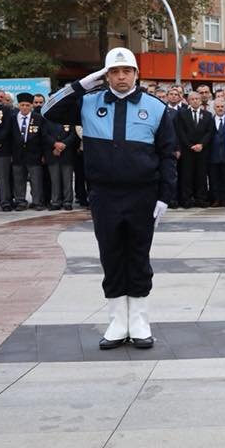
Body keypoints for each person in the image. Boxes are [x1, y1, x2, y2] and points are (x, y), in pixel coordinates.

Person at [41, 47, 176, 350]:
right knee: (111, 254)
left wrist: (165, 196)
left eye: (126, 71)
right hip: (104, 194)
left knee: (138, 255)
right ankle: (117, 320)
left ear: (136, 74)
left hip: (143, 194)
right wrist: (83, 84)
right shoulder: (89, 102)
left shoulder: (155, 107)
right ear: (105, 76)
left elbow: (168, 154)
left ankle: (139, 319)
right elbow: (48, 111)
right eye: (114, 72)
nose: (121, 77)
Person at [175, 91, 213, 208]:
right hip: (187, 150)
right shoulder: (181, 114)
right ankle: (186, 200)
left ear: (201, 100)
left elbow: (209, 132)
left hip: (202, 150)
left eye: (197, 99)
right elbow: (180, 132)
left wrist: (201, 144)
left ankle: (201, 199)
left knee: (201, 176)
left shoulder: (207, 115)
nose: (195, 101)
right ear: (188, 101)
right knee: (186, 176)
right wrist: (190, 145)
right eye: (192, 99)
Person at [10, 93, 46, 210]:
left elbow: (43, 137)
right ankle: (20, 201)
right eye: (22, 105)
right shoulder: (12, 118)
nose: (25, 107)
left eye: (27, 105)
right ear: (18, 105)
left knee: (36, 180)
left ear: (31, 106)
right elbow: (8, 137)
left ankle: (37, 202)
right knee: (19, 179)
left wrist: (43, 154)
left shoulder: (38, 118)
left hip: (34, 154)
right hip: (17, 154)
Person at [207, 98, 225, 207]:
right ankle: (216, 199)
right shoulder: (210, 120)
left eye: (222, 107)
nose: (220, 109)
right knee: (214, 179)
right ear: (214, 108)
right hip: (213, 155)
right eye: (217, 107)